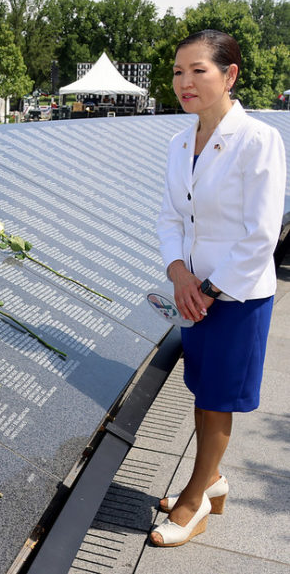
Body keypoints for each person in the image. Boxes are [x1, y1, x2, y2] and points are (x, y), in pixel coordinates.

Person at [153, 29, 286, 547]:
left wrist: (207, 288)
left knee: (219, 398)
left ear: (229, 75)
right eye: (177, 72)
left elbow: (261, 233)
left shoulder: (258, 140)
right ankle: (212, 479)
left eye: (197, 71)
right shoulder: (178, 141)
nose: (184, 82)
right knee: (201, 392)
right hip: (193, 292)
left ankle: (194, 501)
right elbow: (170, 217)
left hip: (236, 297)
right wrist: (179, 274)